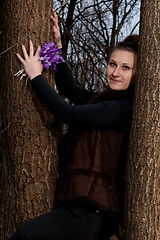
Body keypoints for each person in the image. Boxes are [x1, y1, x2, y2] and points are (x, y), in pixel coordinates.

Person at [10, 8, 138, 240]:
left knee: (23, 238)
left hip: (90, 212)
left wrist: (35, 76)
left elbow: (67, 112)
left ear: (137, 75)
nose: (115, 72)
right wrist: (55, 47)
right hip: (84, 209)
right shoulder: (105, 103)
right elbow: (70, 90)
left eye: (125, 67)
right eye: (112, 64)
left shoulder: (120, 108)